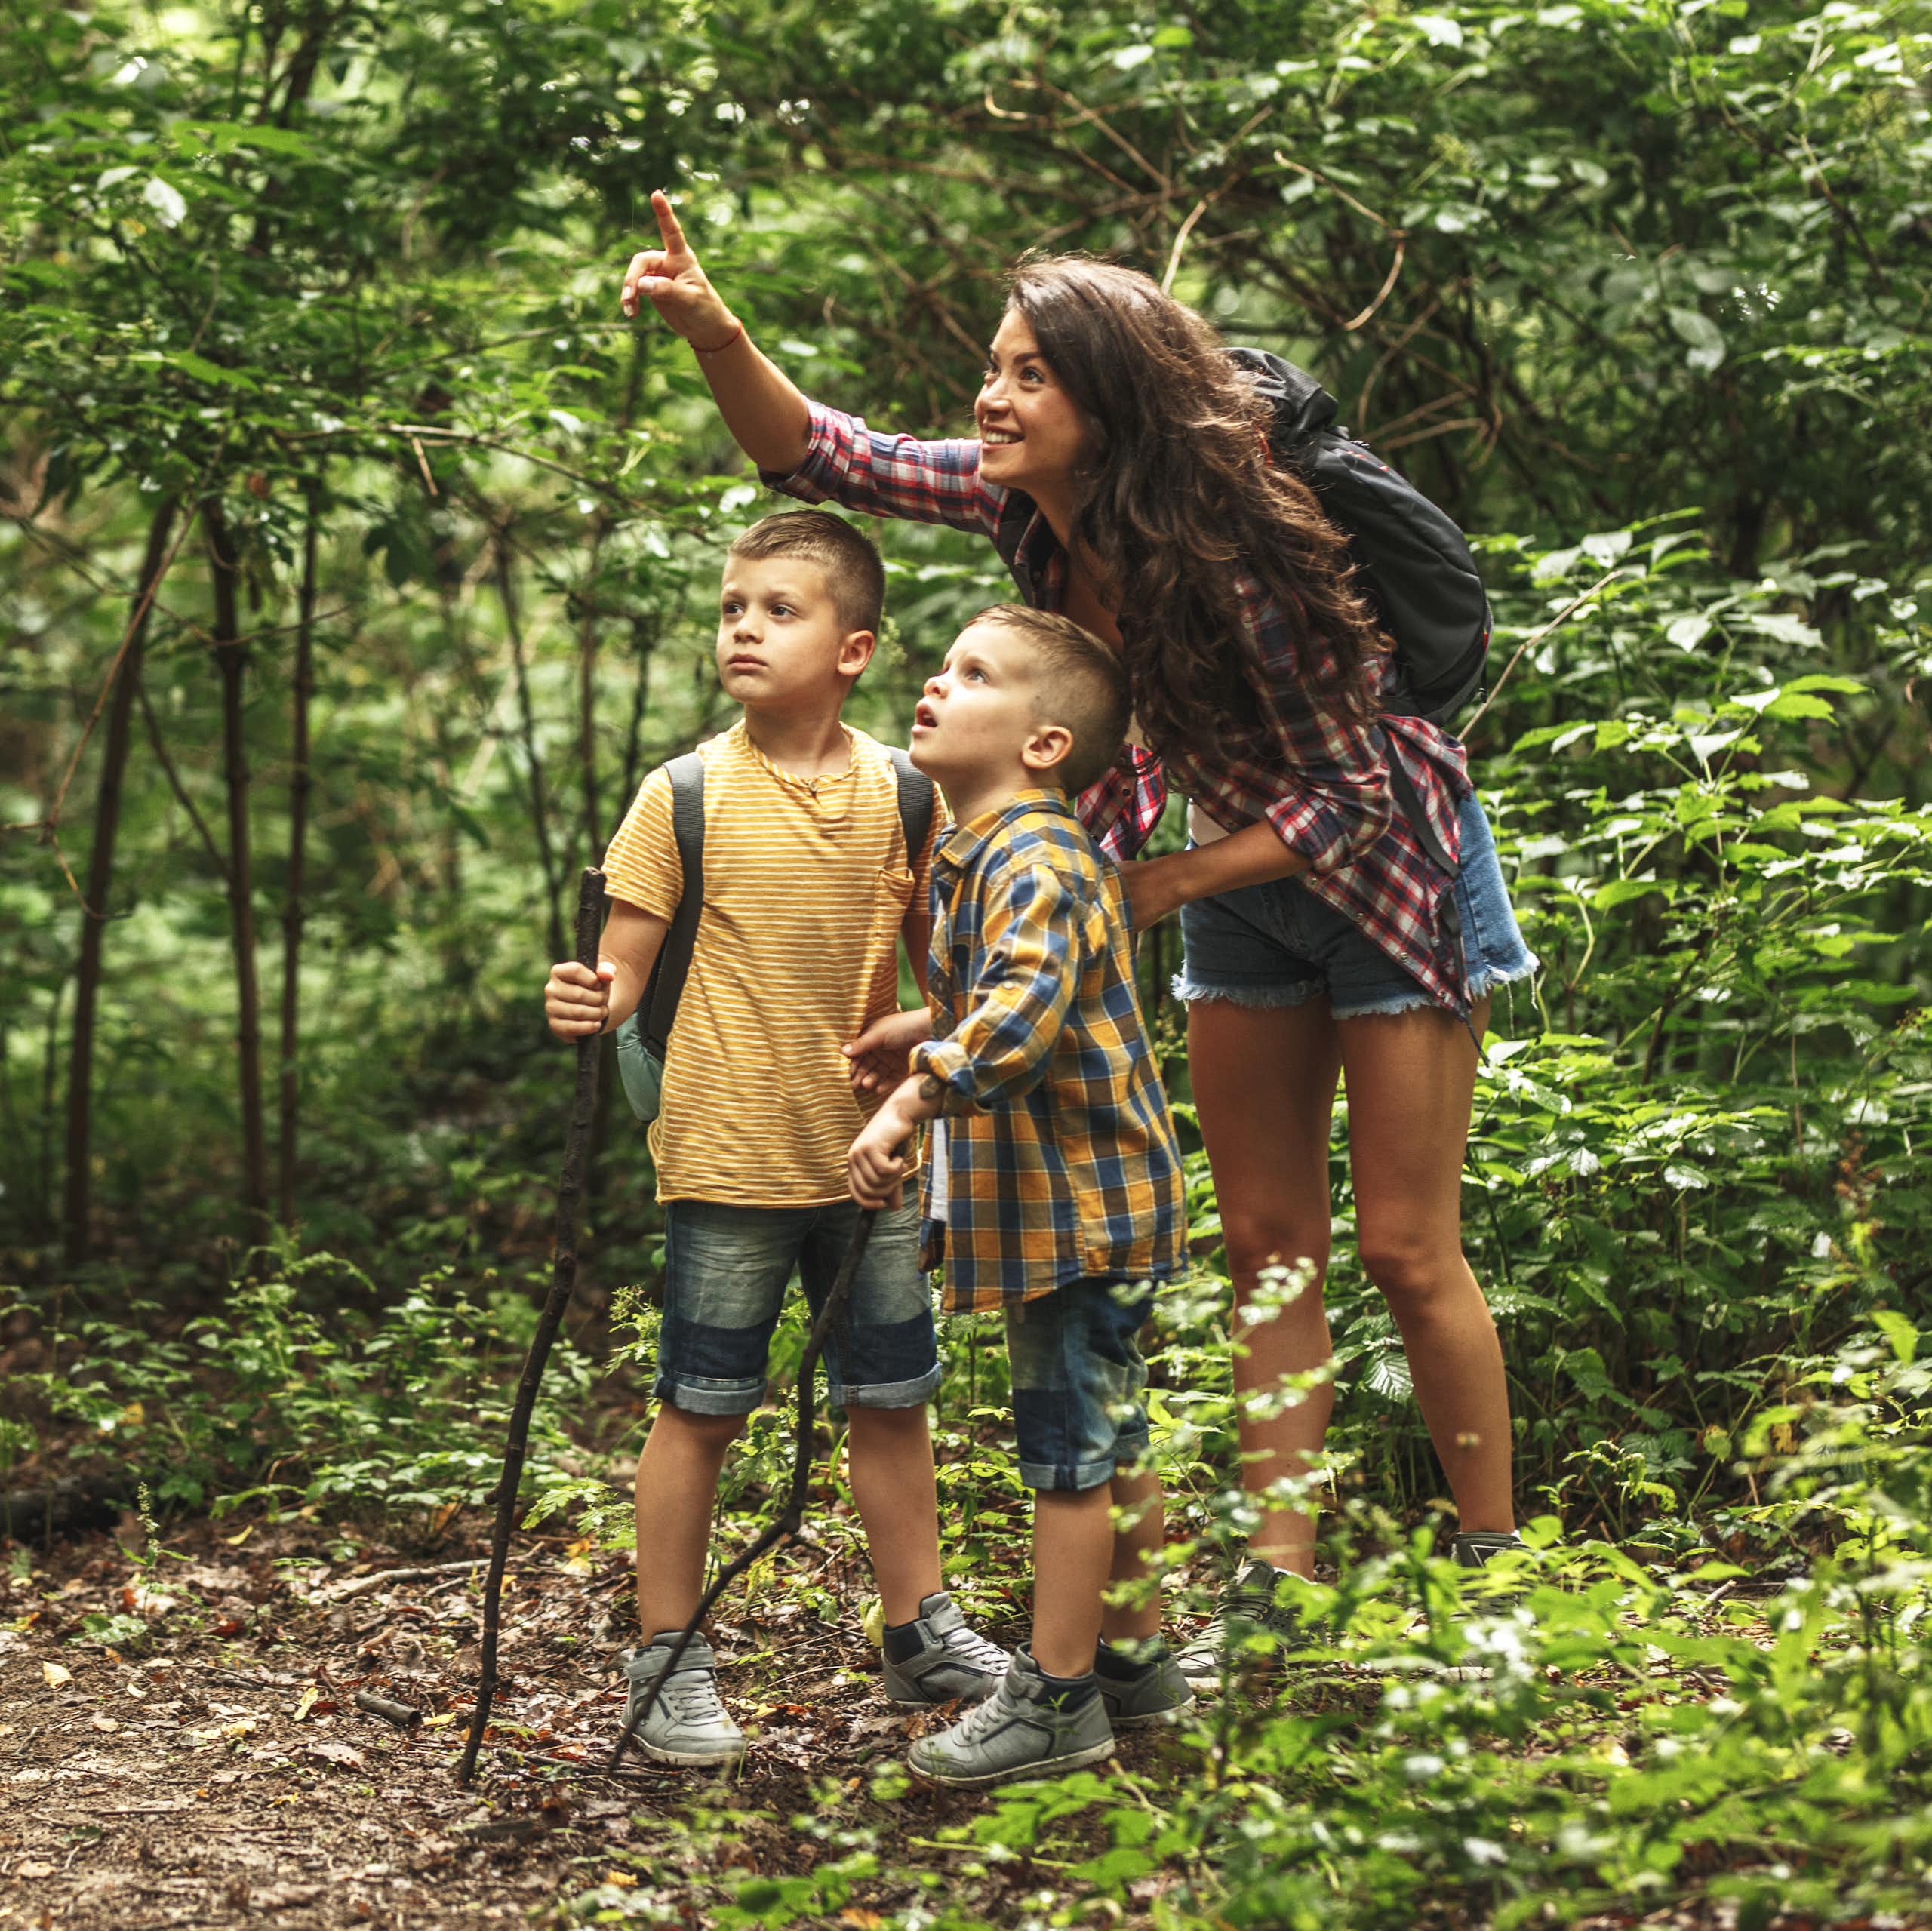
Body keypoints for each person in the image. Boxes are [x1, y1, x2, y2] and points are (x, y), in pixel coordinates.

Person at [623, 193, 1539, 1690]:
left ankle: (1497, 1564)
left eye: (1028, 375)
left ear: (1105, 401)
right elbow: (819, 453)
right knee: (1264, 1244)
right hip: (1218, 868)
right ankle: (1276, 1587)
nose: (990, 397)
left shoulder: (1227, 552)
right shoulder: (1021, 512)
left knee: (1400, 1242)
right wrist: (712, 323)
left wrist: (1157, 888)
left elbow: (1353, 788)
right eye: (992, 368)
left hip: (1391, 866)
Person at [543, 509, 1006, 1769]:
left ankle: (918, 1631)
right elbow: (621, 976)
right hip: (727, 1156)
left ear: (854, 648)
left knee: (892, 1401)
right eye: (734, 607)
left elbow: (954, 983)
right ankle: (667, 1657)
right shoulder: (680, 794)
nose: (745, 626)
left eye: (779, 609)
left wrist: (916, 1040)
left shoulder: (911, 797)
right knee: (699, 1407)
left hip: (872, 1162)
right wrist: (584, 997)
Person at [847, 604, 1191, 1788]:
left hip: (1079, 1213)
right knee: (1111, 1436)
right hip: (1079, 1208)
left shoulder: (1036, 856)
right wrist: (919, 1025)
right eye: (941, 667)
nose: (936, 686)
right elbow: (1011, 992)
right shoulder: (990, 852)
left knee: (1068, 1457)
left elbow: (1018, 1017)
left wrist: (908, 1100)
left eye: (974, 674)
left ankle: (1056, 1702)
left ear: (1044, 743)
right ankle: (1135, 1660)